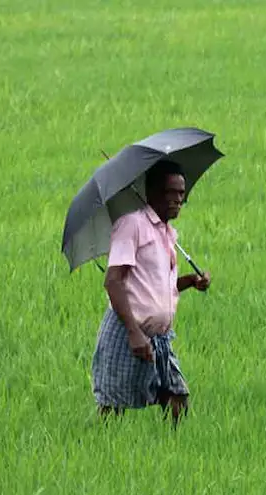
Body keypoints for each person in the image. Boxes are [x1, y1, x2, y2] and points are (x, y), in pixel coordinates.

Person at [90, 159, 210, 427]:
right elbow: (113, 281)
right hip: (127, 330)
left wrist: (191, 281)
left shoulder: (167, 232)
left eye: (181, 193)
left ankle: (174, 448)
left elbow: (156, 287)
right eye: (171, 192)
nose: (178, 199)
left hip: (159, 337)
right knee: (113, 405)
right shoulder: (132, 225)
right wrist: (134, 332)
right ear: (152, 192)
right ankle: (103, 448)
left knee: (177, 398)